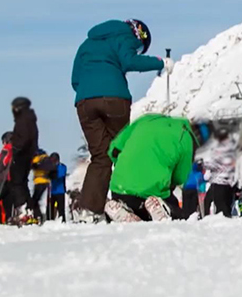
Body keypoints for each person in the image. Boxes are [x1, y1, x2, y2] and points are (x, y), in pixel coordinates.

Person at [72, 19, 171, 219]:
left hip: (84, 103)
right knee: (124, 151)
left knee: (100, 156)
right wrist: (160, 62)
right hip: (114, 99)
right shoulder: (124, 37)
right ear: (139, 34)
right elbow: (129, 61)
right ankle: (134, 202)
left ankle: (90, 210)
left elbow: (75, 79)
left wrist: (91, 92)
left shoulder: (87, 44)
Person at [103, 113, 197, 223]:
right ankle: (163, 208)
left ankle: (123, 209)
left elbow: (113, 150)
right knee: (178, 214)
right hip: (152, 193)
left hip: (119, 188)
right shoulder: (185, 135)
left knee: (130, 202)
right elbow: (181, 177)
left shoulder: (145, 120)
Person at [7, 97, 40, 224]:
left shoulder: (23, 119)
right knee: (22, 183)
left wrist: (16, 147)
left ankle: (23, 210)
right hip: (28, 154)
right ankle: (28, 210)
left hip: (22, 154)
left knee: (16, 183)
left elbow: (24, 137)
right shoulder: (29, 118)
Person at [203, 128, 237, 217]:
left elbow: (214, 164)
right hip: (230, 182)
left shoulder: (219, 150)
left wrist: (203, 164)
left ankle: (222, 225)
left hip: (219, 181)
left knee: (221, 209)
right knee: (227, 205)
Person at [30, 147, 53, 219]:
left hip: (41, 181)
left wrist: (36, 166)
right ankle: (38, 215)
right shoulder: (45, 158)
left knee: (34, 200)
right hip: (42, 182)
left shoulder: (39, 158)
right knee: (35, 200)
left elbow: (35, 166)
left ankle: (38, 216)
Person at [48, 153, 68, 222]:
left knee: (61, 209)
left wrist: (53, 175)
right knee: (50, 209)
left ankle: (62, 221)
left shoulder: (62, 167)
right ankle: (50, 221)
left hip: (60, 191)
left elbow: (61, 175)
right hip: (52, 192)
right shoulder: (50, 168)